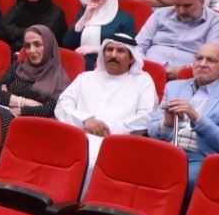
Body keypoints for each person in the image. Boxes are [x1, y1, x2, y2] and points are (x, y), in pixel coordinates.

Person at [149, 43, 219, 185]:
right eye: (199, 58)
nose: (203, 64)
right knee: (136, 168)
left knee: (187, 180)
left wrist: (195, 116)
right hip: (167, 150)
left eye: (210, 60)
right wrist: (167, 124)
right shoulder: (173, 87)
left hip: (199, 156)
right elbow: (152, 132)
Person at [56, 35, 160, 169]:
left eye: (120, 51)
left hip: (117, 145)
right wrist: (85, 120)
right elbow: (62, 104)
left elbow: (146, 117)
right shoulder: (85, 78)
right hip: (77, 138)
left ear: (132, 58)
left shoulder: (143, 81)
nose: (113, 55)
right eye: (109, 50)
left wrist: (108, 128)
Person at [135, 0, 219, 75]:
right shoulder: (160, 14)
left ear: (202, 1)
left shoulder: (216, 21)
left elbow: (211, 57)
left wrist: (185, 71)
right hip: (145, 71)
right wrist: (144, 66)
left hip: (187, 76)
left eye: (187, 6)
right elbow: (139, 45)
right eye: (177, 5)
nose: (181, 11)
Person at [0, 26, 70, 120]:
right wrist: (25, 102)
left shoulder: (59, 79)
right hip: (1, 113)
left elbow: (49, 109)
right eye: (27, 46)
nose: (31, 50)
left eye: (37, 45)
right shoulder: (18, 67)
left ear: (48, 46)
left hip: (30, 124)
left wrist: (20, 109)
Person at [61, 0, 134, 69]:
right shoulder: (84, 13)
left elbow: (129, 50)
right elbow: (67, 44)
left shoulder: (124, 18)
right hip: (79, 65)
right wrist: (85, 18)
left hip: (110, 68)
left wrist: (96, 49)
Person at [0, 0, 68, 51]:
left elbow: (42, 37)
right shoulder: (19, 7)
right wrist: (27, 31)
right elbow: (3, 29)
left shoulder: (56, 12)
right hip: (14, 52)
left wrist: (16, 37)